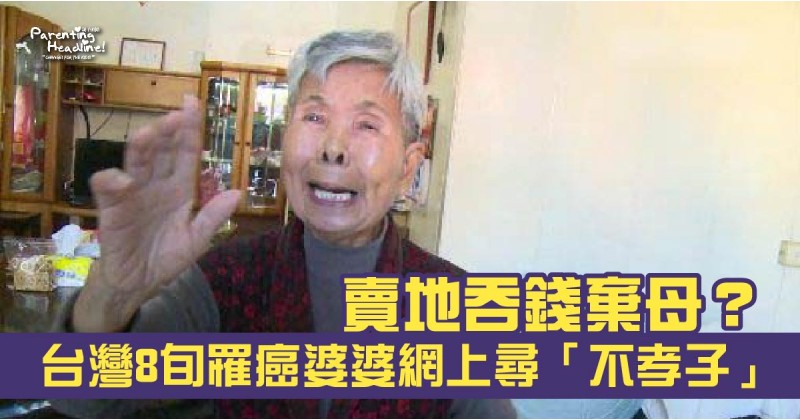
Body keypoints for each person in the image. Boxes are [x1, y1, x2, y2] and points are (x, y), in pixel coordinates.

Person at [51, 31, 517, 419]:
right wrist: (114, 291)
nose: (333, 147)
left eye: (366, 125)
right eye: (314, 116)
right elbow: (82, 398)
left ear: (408, 166)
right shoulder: (226, 280)